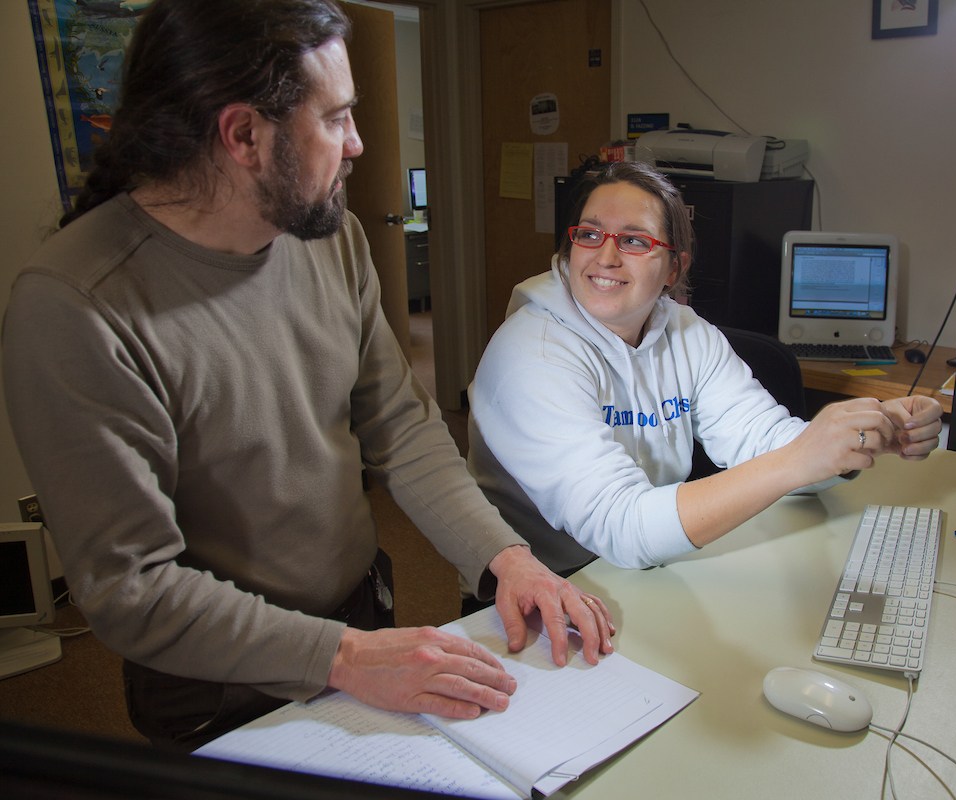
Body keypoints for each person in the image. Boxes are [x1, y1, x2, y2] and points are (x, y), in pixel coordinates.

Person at [2, 0, 612, 752]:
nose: (358, 144)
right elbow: (134, 592)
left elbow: (400, 424)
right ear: (244, 136)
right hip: (221, 676)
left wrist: (505, 557)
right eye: (336, 118)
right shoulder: (76, 306)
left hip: (360, 616)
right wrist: (343, 658)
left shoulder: (331, 238)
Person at [467, 161, 944, 577]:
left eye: (634, 240)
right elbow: (620, 526)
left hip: (644, 566)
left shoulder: (688, 333)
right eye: (590, 234)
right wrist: (800, 458)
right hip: (551, 584)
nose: (605, 257)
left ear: (674, 269)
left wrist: (863, 433)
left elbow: (765, 443)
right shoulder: (532, 353)